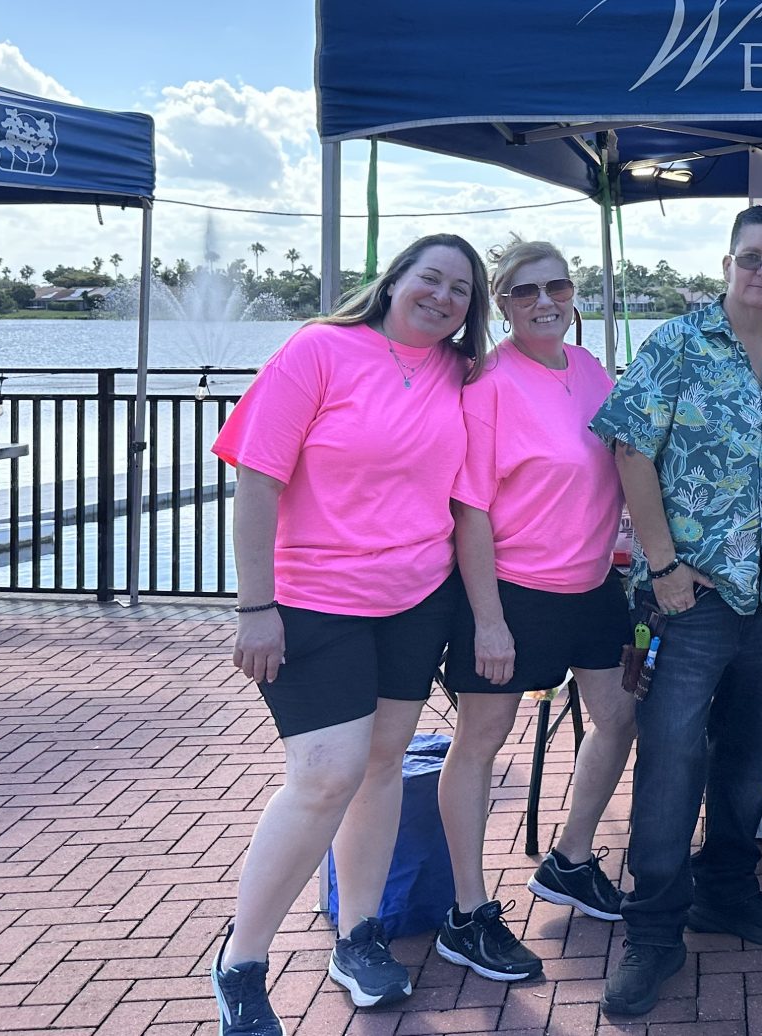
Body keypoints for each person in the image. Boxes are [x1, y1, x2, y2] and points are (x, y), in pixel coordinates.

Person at [208, 235, 491, 1036]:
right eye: (430, 278)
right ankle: (241, 962)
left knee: (381, 765)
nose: (442, 297)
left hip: (415, 600)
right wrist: (254, 607)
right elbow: (257, 477)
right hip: (312, 601)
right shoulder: (319, 350)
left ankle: (359, 935)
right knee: (324, 775)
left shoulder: (460, 373)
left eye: (461, 289)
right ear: (394, 280)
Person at [589, 205, 762, 1018]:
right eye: (752, 258)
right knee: (670, 764)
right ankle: (653, 931)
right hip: (688, 600)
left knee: (747, 756)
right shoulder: (676, 343)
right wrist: (662, 565)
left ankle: (726, 888)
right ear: (728, 262)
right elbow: (631, 450)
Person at [430, 241, 635, 985]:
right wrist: (488, 620)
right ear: (504, 304)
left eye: (557, 286)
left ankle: (570, 860)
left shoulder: (590, 369)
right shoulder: (488, 383)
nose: (545, 302)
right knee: (482, 742)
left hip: (593, 586)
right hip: (514, 591)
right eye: (525, 292)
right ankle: (467, 913)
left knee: (620, 716)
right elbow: (470, 509)